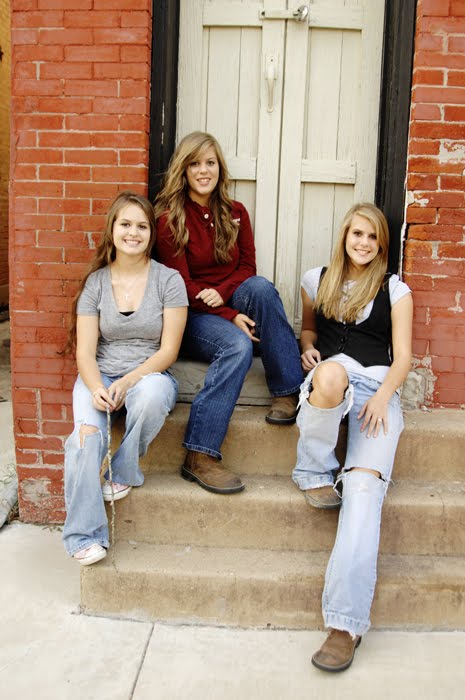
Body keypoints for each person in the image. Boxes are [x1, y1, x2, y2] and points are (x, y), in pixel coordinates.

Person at [293, 203, 413, 671]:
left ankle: (344, 625)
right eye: (356, 234)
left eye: (373, 237)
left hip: (377, 387)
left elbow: (402, 356)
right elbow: (308, 328)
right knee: (328, 375)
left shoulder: (395, 290)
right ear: (344, 235)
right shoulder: (316, 280)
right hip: (332, 379)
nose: (363, 243)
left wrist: (383, 397)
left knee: (363, 490)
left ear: (382, 245)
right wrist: (308, 347)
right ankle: (314, 471)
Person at [154, 131, 303, 495]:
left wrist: (223, 296)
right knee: (237, 345)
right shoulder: (169, 220)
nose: (203, 171)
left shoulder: (235, 213)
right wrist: (229, 316)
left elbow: (247, 268)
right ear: (183, 170)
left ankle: (287, 391)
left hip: (225, 299)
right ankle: (199, 454)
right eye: (194, 164)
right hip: (190, 316)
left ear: (219, 168)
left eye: (210, 163)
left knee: (262, 288)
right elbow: (178, 287)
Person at [62, 191, 188, 566]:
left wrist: (129, 381)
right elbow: (85, 353)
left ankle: (124, 469)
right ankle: (83, 536)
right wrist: (97, 387)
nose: (133, 233)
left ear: (151, 233)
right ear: (112, 229)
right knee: (85, 440)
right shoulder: (96, 283)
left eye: (142, 226)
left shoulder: (169, 280)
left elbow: (168, 351)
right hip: (99, 374)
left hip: (149, 374)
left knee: (151, 395)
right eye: (126, 224)